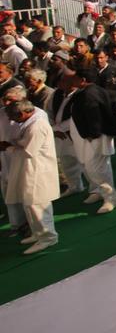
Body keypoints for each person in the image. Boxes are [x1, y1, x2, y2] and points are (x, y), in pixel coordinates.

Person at [0, 100, 59, 254]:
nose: (14, 122)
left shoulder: (37, 126)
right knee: (29, 204)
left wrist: (8, 147)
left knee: (37, 205)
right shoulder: (29, 123)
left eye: (15, 118)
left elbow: (29, 152)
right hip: (29, 170)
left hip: (38, 171)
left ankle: (48, 237)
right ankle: (38, 233)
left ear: (23, 113)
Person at [68, 66, 116, 214]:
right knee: (99, 167)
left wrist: (94, 133)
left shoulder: (89, 94)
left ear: (83, 80)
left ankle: (111, 197)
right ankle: (100, 192)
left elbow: (94, 114)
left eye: (75, 78)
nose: (73, 80)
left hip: (96, 137)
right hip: (94, 136)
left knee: (96, 169)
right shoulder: (93, 91)